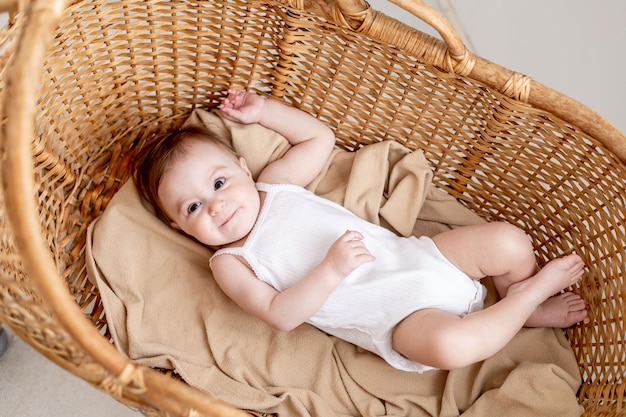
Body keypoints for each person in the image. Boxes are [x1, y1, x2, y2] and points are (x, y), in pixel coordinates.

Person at [133, 89, 587, 372]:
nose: (217, 205)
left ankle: (516, 300)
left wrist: (264, 111)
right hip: (398, 320)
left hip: (423, 259)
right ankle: (528, 298)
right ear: (179, 226)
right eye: (193, 206)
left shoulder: (276, 185)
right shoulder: (231, 262)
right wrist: (329, 270)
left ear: (242, 167)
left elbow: (319, 139)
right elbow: (279, 313)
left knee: (509, 241)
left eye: (218, 183)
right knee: (452, 348)